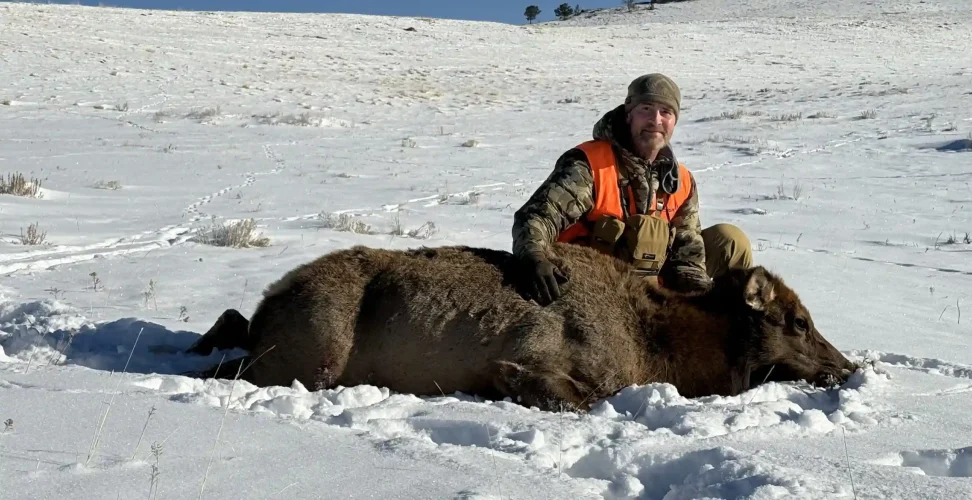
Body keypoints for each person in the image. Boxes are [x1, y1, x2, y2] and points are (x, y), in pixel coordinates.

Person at [511, 73, 753, 305]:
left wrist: (700, 304)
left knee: (730, 240)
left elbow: (687, 256)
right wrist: (534, 257)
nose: (655, 120)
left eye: (666, 112)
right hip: (587, 289)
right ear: (629, 114)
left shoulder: (681, 180)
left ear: (674, 122)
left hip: (650, 291)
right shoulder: (590, 165)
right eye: (646, 108)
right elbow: (537, 218)